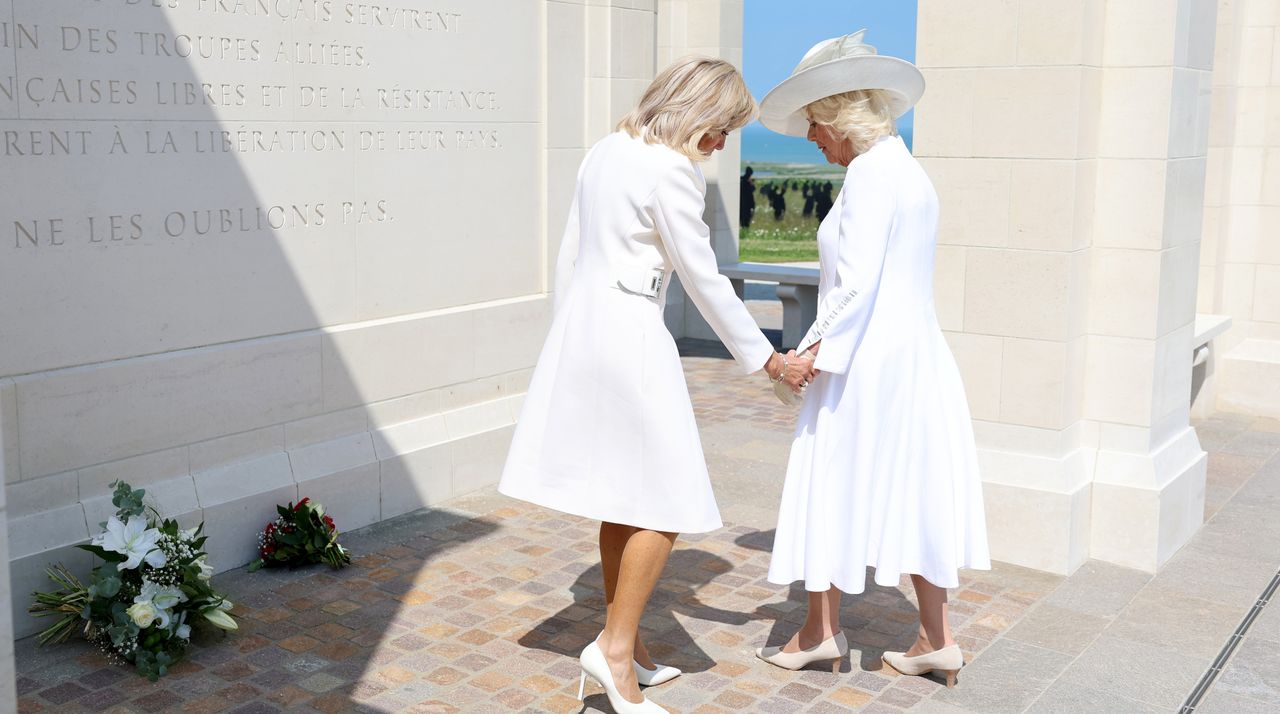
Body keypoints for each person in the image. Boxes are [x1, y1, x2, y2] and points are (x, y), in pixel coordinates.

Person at [499, 56, 812, 714]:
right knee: (666, 502)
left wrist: (567, 339)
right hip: (632, 335)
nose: (722, 144)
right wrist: (769, 361)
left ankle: (629, 645)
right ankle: (613, 651)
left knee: (624, 491)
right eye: (722, 129)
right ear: (698, 114)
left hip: (585, 331)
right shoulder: (672, 169)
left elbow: (571, 251)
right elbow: (704, 280)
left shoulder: (607, 150)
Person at [752, 30, 990, 687]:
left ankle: (818, 632)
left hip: (863, 367)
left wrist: (801, 354)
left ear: (834, 115)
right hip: (914, 358)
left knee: (827, 482)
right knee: (916, 490)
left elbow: (853, 284)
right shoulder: (908, 170)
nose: (809, 139)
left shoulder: (867, 176)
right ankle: (936, 639)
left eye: (811, 126)